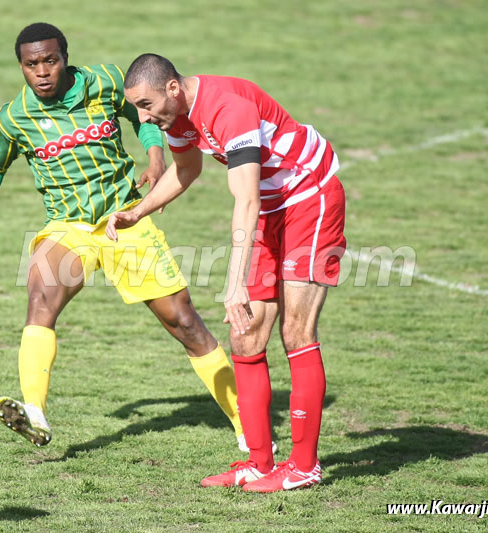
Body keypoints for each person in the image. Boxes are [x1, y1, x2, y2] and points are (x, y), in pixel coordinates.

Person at [0, 24, 251, 453]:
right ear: (20, 66)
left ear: (65, 57)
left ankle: (248, 428)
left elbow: (143, 116)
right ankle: (35, 414)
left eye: (50, 60)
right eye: (31, 64)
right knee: (41, 295)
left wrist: (154, 158)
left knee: (185, 323)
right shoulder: (13, 117)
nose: (42, 71)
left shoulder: (106, 82)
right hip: (69, 226)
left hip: (124, 219)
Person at [106, 53, 346, 492]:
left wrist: (234, 283)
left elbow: (246, 200)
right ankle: (258, 462)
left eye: (145, 105)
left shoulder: (227, 108)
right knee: (246, 336)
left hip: (310, 196)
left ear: (172, 89)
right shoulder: (175, 117)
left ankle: (304, 466)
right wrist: (139, 211)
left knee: (296, 331)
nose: (141, 116)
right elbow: (188, 169)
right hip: (272, 208)